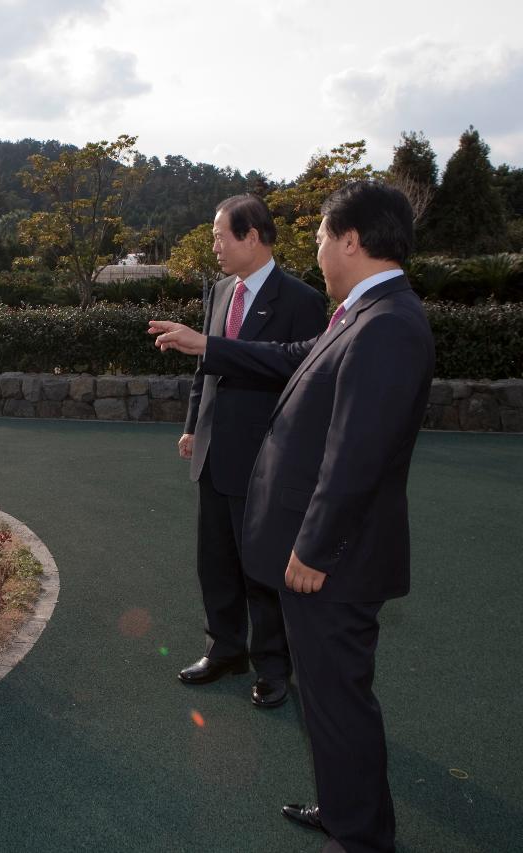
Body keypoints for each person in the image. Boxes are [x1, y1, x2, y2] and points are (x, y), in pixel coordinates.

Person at [149, 181, 434, 853]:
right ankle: (344, 810)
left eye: (321, 238)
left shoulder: (388, 323)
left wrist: (311, 549)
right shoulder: (362, 314)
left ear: (351, 241)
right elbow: (288, 360)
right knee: (330, 703)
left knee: (340, 703)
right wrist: (207, 346)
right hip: (334, 556)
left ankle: (361, 836)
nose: (318, 250)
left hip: (337, 561)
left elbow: (355, 458)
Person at [176, 194, 327, 709]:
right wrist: (195, 424)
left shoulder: (301, 300)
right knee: (214, 561)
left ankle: (273, 665)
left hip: (266, 460)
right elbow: (207, 365)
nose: (214, 246)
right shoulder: (221, 291)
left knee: (261, 568)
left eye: (221, 236)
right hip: (215, 452)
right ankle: (224, 649)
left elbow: (297, 371)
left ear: (253, 237)